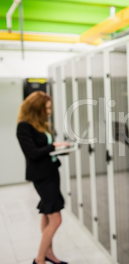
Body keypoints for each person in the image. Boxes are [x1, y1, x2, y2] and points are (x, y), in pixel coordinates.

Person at [16, 91, 70, 264]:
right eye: (46, 108)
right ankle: (39, 259)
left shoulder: (42, 125)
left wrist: (60, 149)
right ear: (36, 109)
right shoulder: (23, 126)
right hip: (41, 176)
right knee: (56, 218)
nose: (49, 111)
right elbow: (32, 153)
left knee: (47, 214)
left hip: (51, 172)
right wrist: (53, 146)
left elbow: (45, 149)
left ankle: (49, 254)